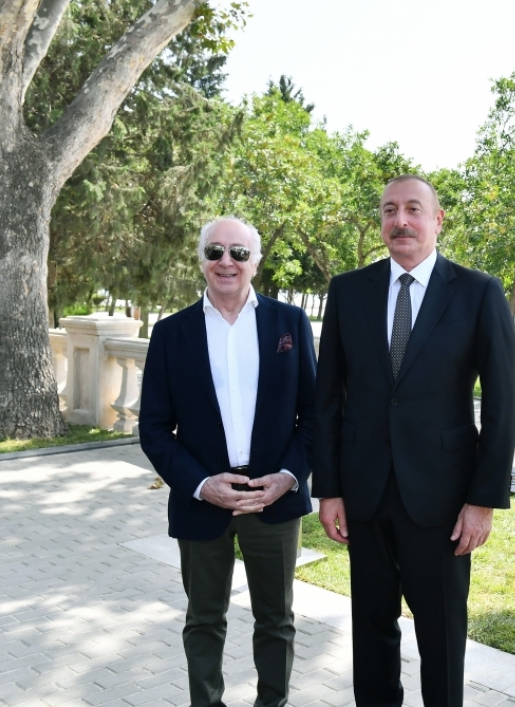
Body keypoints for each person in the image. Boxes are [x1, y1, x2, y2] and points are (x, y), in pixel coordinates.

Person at [312, 175, 515, 706]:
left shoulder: (478, 292)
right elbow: (327, 398)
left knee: (442, 633)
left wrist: (482, 501)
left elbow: (503, 406)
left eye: (412, 209)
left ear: (437, 219)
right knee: (371, 631)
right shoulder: (348, 291)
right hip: (364, 493)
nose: (400, 221)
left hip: (443, 499)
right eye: (389, 210)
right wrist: (329, 488)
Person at [140, 217, 316, 707]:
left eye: (238, 252)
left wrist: (287, 478)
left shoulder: (290, 323)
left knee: (276, 621)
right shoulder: (171, 333)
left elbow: (315, 415)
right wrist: (201, 484)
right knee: (203, 620)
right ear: (201, 259)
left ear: (255, 262)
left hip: (273, 499)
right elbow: (153, 428)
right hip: (202, 502)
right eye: (215, 251)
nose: (226, 262)